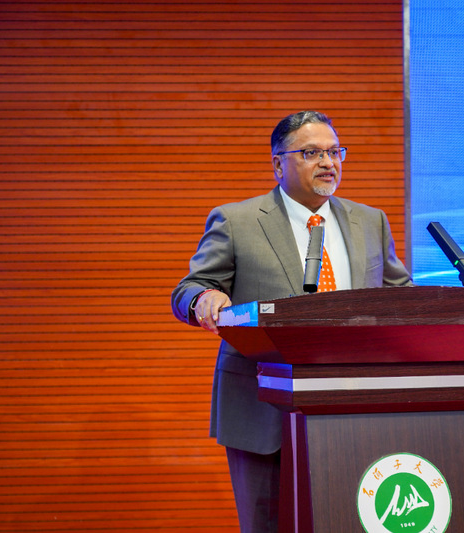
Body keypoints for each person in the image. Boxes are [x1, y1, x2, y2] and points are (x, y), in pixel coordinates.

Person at [170, 111, 413, 532]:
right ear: (278, 163)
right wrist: (204, 298)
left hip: (354, 408)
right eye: (312, 153)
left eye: (335, 152)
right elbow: (189, 288)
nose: (328, 163)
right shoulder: (237, 221)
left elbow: (400, 295)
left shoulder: (370, 221)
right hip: (264, 409)